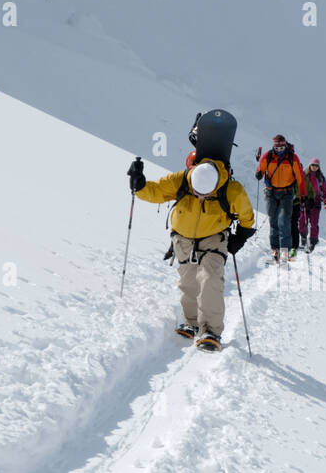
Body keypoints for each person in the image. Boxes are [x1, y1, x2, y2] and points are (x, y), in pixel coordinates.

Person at [127, 153, 254, 351]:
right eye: (196, 192)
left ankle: (210, 331)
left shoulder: (232, 189)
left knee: (210, 279)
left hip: (214, 237)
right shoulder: (180, 180)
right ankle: (191, 322)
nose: (200, 197)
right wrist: (139, 184)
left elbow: (247, 215)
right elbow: (155, 192)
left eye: (205, 194)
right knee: (188, 281)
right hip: (183, 239)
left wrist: (241, 236)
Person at [255, 135, 307, 262]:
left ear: (285, 145)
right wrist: (259, 173)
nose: (279, 149)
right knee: (273, 221)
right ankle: (275, 249)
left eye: (282, 147)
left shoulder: (292, 158)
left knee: (284, 222)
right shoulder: (267, 156)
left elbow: (300, 177)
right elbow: (260, 169)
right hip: (271, 192)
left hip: (286, 193)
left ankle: (284, 251)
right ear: (274, 146)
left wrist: (303, 194)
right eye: (277, 147)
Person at [298, 157, 326, 251]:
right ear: (310, 165)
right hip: (305, 201)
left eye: (316, 166)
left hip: (316, 202)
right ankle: (303, 236)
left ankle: (313, 241)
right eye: (313, 165)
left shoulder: (320, 178)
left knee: (314, 223)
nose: (314, 167)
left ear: (319, 167)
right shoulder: (304, 175)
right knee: (302, 221)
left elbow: (325, 190)